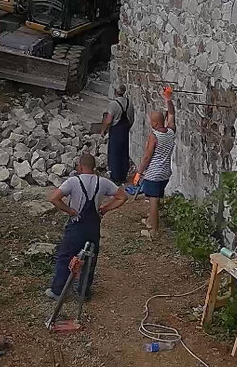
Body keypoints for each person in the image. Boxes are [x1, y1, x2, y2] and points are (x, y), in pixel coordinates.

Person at [45, 152, 128, 300]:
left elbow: (54, 198)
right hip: (93, 227)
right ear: (94, 167)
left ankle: (57, 291)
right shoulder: (102, 182)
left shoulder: (72, 182)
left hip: (76, 226)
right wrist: (105, 209)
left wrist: (70, 211)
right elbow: (122, 197)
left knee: (65, 256)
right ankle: (84, 292)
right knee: (90, 258)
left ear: (80, 167)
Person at [136, 86, 176, 240]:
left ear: (153, 122)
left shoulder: (154, 136)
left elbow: (147, 157)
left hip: (154, 173)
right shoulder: (171, 131)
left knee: (153, 200)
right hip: (166, 172)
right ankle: (149, 221)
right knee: (156, 196)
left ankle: (154, 231)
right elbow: (172, 114)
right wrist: (168, 99)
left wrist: (139, 172)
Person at [98, 85, 134, 185]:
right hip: (125, 131)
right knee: (124, 153)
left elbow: (109, 120)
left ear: (115, 92)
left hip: (116, 131)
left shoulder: (113, 104)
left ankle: (115, 177)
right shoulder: (129, 103)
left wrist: (103, 130)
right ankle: (123, 175)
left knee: (114, 154)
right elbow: (131, 119)